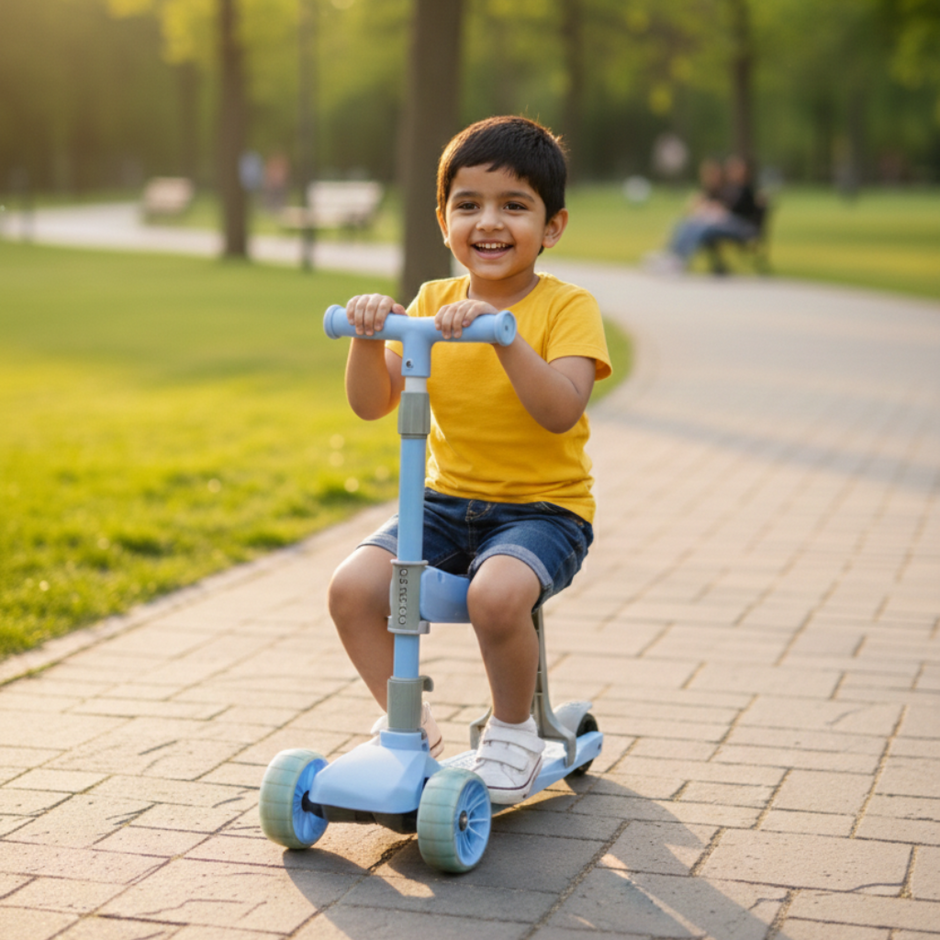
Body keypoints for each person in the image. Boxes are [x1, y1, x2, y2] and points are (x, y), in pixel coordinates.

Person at [327, 115, 611, 804]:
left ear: (551, 227)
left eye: (514, 206)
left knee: (496, 595)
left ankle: (514, 731)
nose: (489, 222)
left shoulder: (567, 308)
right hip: (444, 505)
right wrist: (369, 337)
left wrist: (501, 337)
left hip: (544, 511)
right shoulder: (431, 302)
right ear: (443, 220)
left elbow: (560, 408)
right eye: (469, 205)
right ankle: (408, 724)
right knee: (352, 589)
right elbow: (371, 404)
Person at [648, 154, 762, 274]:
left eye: (737, 168)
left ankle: (679, 262)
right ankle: (671, 256)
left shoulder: (747, 190)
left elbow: (730, 211)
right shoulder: (729, 188)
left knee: (703, 227)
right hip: (725, 224)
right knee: (690, 223)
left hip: (741, 227)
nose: (733, 170)